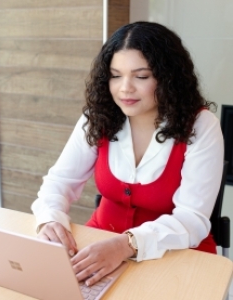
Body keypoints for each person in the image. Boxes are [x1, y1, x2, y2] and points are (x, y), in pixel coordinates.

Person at [31, 21, 224, 286]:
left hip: (176, 255)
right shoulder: (98, 117)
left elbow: (191, 219)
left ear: (169, 78)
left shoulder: (201, 126)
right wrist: (50, 219)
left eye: (141, 76)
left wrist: (126, 245)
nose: (125, 88)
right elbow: (59, 182)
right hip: (100, 244)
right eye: (115, 75)